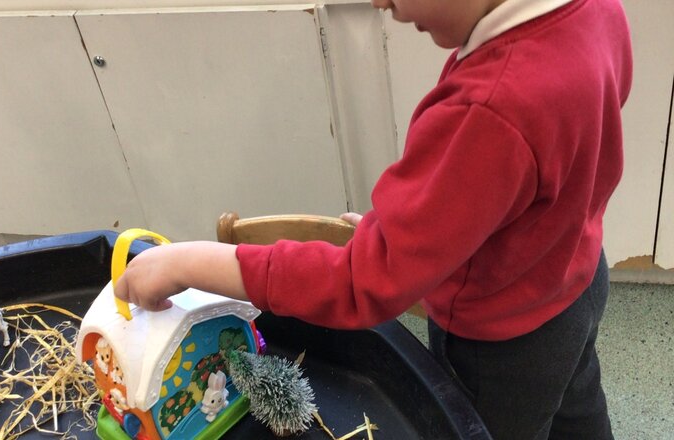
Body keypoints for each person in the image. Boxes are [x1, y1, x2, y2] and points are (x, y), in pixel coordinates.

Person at [114, 0, 633, 438]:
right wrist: (422, 231)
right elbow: (528, 182)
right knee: (577, 407)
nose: (380, 3)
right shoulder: (593, 11)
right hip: (574, 279)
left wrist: (190, 263)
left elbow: (359, 285)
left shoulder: (490, 107)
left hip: (502, 348)